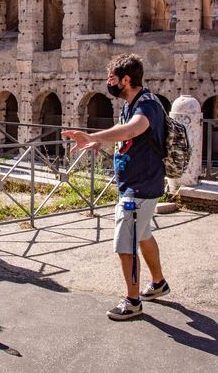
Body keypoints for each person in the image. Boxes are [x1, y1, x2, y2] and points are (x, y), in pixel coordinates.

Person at [62, 54, 170, 320]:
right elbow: (123, 128)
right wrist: (100, 142)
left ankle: (132, 302)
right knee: (142, 235)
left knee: (126, 243)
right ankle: (158, 284)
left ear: (126, 79)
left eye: (112, 79)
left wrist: (91, 136)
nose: (108, 84)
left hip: (140, 187)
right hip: (135, 183)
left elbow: (134, 129)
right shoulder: (130, 103)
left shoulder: (147, 105)